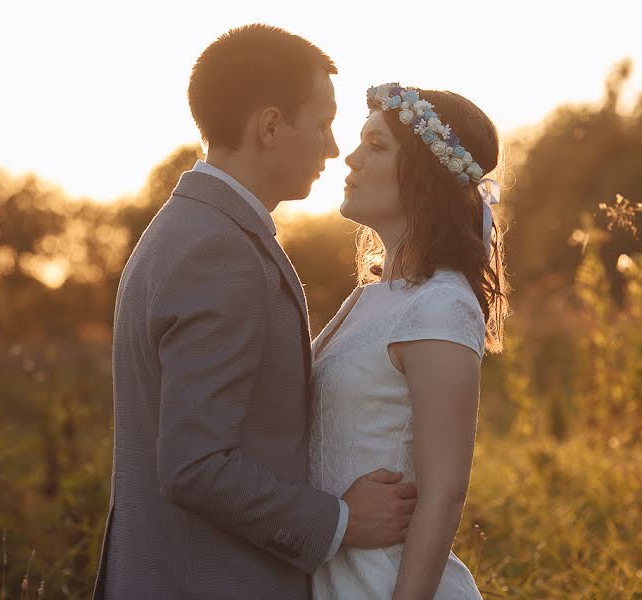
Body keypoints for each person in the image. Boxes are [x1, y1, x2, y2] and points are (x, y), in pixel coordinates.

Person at [92, 26, 417, 600]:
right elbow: (197, 464)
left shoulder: (191, 228)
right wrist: (342, 522)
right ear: (269, 126)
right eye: (322, 123)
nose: (333, 147)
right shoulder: (216, 250)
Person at [309, 83, 509, 599]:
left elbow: (444, 493)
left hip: (389, 584)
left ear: (423, 176)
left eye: (376, 146)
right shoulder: (370, 298)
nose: (349, 159)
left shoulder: (440, 304)